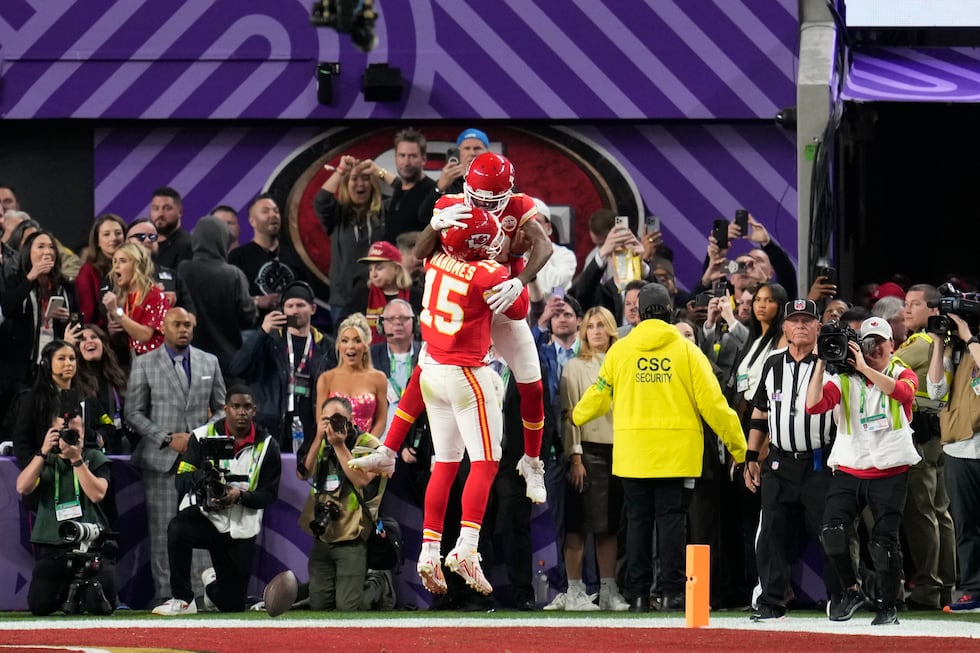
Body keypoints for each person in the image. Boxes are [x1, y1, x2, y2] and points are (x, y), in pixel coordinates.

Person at [570, 283, 746, 612]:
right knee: (672, 522)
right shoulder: (687, 352)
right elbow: (715, 406)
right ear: (667, 310)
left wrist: (577, 416)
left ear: (638, 313)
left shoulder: (620, 352)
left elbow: (597, 395)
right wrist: (740, 449)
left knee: (636, 523)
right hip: (677, 456)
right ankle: (672, 594)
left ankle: (637, 595)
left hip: (633, 455)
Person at [412, 209, 529, 597]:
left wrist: (437, 225)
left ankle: (429, 551)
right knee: (485, 461)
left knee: (444, 464)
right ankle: (467, 547)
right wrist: (517, 277)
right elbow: (519, 309)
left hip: (431, 371)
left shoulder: (435, 258)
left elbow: (421, 249)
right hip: (466, 373)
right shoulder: (488, 273)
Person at [806, 316, 920, 626]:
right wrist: (821, 362)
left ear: (891, 345)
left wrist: (865, 369)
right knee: (831, 530)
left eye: (878, 343)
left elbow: (904, 394)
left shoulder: (901, 372)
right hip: (850, 467)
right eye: (866, 343)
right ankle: (851, 590)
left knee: (884, 543)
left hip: (890, 469)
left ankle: (888, 605)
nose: (872, 349)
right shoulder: (843, 377)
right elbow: (813, 405)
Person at [743, 299, 840, 621]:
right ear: (784, 328)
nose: (800, 325)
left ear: (818, 327)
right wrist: (751, 457)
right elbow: (760, 413)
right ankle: (771, 601)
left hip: (820, 462)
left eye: (806, 320)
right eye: (794, 320)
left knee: (832, 533)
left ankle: (839, 597)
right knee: (772, 533)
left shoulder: (832, 363)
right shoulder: (772, 364)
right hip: (780, 463)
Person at [124, 307, 226, 604]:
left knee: (203, 529)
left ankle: (204, 597)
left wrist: (197, 436)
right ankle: (168, 597)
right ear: (163, 327)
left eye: (188, 325)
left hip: (201, 460)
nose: (183, 329)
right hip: (161, 462)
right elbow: (132, 412)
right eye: (177, 324)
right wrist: (167, 438)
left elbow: (222, 408)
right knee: (162, 533)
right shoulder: (144, 364)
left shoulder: (210, 361)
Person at [152, 384, 282, 615]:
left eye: (247, 407)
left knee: (231, 605)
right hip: (205, 516)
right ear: (225, 409)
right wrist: (202, 476)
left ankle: (212, 586)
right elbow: (181, 479)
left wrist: (239, 496)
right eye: (236, 406)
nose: (241, 412)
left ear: (255, 410)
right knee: (178, 529)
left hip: (240, 524)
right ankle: (183, 598)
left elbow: (269, 495)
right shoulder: (202, 437)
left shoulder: (268, 446)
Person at [555, 306, 629, 612]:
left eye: (602, 325)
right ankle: (574, 591)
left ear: (612, 328)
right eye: (590, 326)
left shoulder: (624, 363)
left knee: (610, 526)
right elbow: (569, 414)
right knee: (578, 524)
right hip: (586, 451)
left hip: (620, 452)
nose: (596, 331)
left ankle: (609, 590)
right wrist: (575, 456)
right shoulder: (574, 367)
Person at [15, 404, 116, 615]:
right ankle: (66, 595)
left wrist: (76, 460)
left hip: (91, 547)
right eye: (65, 432)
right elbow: (22, 487)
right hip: (54, 550)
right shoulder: (45, 461)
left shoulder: (94, 457)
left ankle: (80, 596)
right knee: (40, 605)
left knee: (97, 605)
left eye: (76, 432)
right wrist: (42, 451)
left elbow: (97, 494)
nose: (71, 436)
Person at [893, 284, 955, 611]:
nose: (907, 309)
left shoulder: (921, 344)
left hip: (920, 435)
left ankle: (928, 590)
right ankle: (945, 587)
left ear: (934, 310)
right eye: (905, 303)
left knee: (920, 512)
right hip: (937, 433)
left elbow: (883, 365)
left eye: (915, 304)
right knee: (939, 511)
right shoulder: (941, 342)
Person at [229, 280, 335, 458]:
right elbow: (237, 368)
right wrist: (262, 331)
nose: (295, 310)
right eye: (290, 305)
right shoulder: (268, 340)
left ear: (313, 309)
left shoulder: (326, 346)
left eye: (300, 305)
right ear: (282, 310)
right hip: (271, 427)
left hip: (310, 428)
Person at [301, 395, 386, 611]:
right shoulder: (320, 443)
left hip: (353, 535)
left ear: (351, 419)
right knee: (319, 607)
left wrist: (338, 445)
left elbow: (361, 480)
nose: (332, 425)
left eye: (338, 419)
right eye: (327, 420)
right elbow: (303, 474)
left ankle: (378, 583)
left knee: (348, 609)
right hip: (324, 532)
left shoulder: (369, 444)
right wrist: (318, 439)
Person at [926, 312, 980, 612]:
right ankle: (972, 590)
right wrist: (938, 344)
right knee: (965, 525)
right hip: (959, 448)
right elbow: (935, 390)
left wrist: (970, 337)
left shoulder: (972, 345)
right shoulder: (954, 352)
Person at [0, 230, 78, 392]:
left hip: (56, 365)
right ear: (28, 252)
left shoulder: (66, 286)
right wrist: (31, 277)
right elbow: (7, 309)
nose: (47, 251)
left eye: (51, 247)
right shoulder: (16, 280)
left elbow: (78, 319)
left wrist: (68, 318)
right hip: (21, 369)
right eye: (40, 246)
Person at [177, 216, 256, 374]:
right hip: (226, 363)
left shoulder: (182, 270)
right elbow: (248, 318)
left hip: (187, 361)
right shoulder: (234, 275)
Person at [313, 155, 386, 326]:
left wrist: (379, 172)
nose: (360, 184)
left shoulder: (385, 212)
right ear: (345, 184)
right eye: (354, 179)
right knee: (347, 350)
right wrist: (340, 171)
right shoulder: (337, 216)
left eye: (366, 178)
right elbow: (321, 201)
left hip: (380, 298)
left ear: (373, 183)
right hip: (343, 300)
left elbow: (407, 195)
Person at [228, 193, 311, 320]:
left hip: (290, 329)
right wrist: (257, 301)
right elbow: (230, 300)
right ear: (252, 221)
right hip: (255, 331)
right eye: (265, 211)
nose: (273, 215)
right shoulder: (238, 257)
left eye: (276, 211)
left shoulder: (293, 255)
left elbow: (306, 293)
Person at [314, 313, 388, 439]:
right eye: (345, 340)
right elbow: (320, 421)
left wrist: (365, 447)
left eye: (357, 340)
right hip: (333, 448)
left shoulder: (379, 379)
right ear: (338, 346)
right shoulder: (326, 379)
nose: (351, 346)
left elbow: (381, 421)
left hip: (366, 451)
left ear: (365, 346)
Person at [64, 324, 130, 454]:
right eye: (82, 339)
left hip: (117, 447)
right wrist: (67, 349)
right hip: (86, 449)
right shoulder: (73, 379)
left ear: (103, 344)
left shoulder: (118, 376)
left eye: (94, 337)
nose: (89, 341)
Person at [102, 243, 168, 356]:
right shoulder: (123, 297)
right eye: (115, 261)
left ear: (137, 265)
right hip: (134, 358)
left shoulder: (154, 295)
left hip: (157, 359)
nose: (116, 266)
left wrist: (116, 312)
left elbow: (145, 336)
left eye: (123, 261)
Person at [381, 127, 438, 245]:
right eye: (402, 155)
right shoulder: (399, 188)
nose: (406, 163)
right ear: (395, 158)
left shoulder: (431, 191)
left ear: (423, 159)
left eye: (412, 156)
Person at [353, 240, 416, 344]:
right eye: (370, 269)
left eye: (379, 268)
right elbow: (345, 325)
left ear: (396, 268)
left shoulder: (415, 295)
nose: (373, 274)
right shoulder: (362, 295)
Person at [75, 214, 126, 330]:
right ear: (97, 241)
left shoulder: (134, 267)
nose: (113, 238)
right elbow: (87, 316)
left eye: (118, 233)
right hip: (103, 338)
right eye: (106, 234)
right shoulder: (88, 271)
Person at [150, 186, 193, 270]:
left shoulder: (187, 246)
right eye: (156, 208)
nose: (160, 214)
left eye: (167, 208)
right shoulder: (146, 244)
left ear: (180, 212)